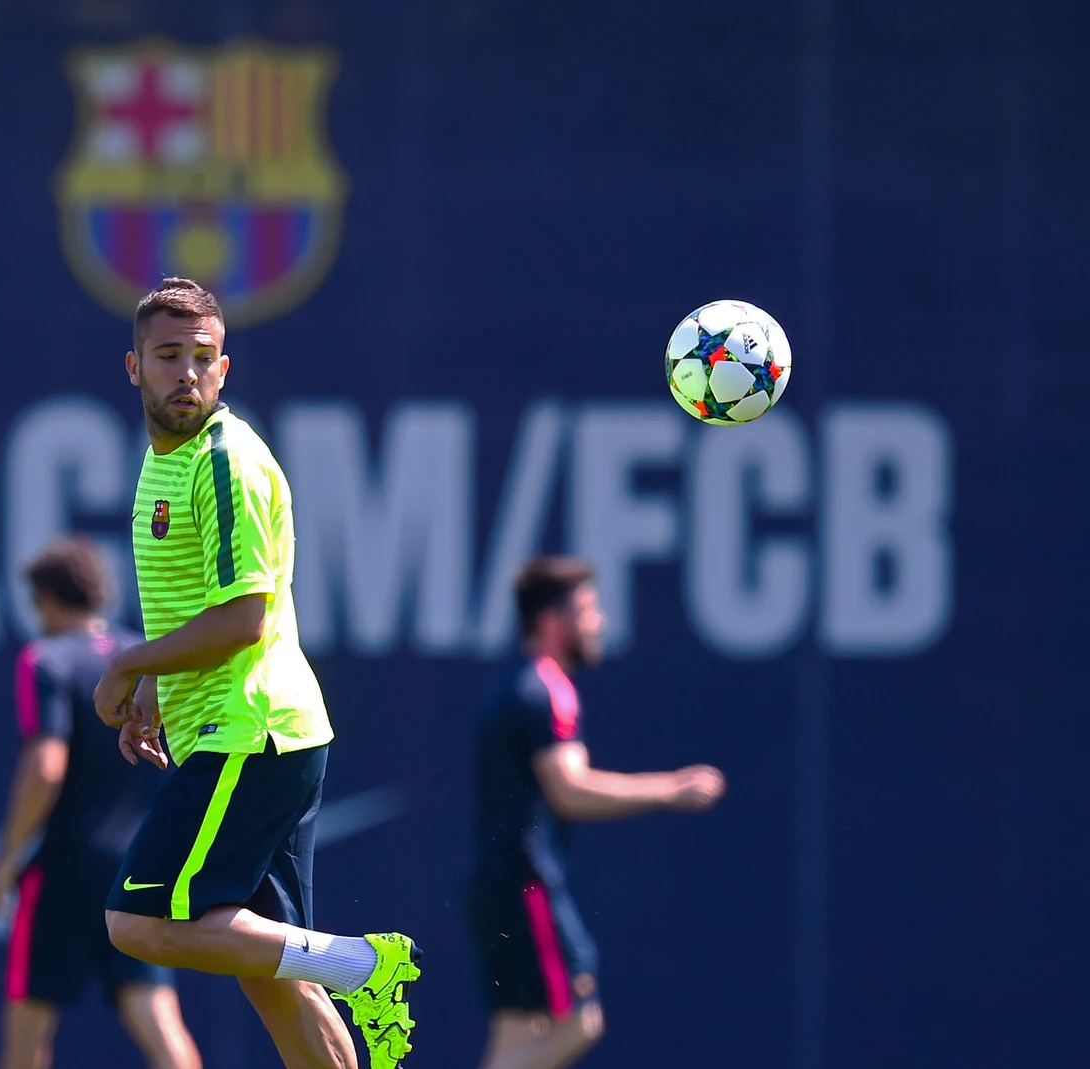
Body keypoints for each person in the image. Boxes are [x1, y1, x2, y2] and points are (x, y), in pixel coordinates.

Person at [91, 278, 421, 1069]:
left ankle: (363, 963)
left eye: (202, 358)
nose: (186, 373)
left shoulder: (224, 461)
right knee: (273, 973)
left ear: (225, 367)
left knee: (136, 922)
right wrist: (154, 686)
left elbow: (245, 617)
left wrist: (131, 660)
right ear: (132, 367)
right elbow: (196, 612)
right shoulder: (164, 461)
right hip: (261, 729)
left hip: (252, 729)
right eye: (168, 356)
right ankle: (345, 967)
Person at [466, 556, 727, 1069]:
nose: (599, 622)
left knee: (519, 1033)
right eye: (587, 610)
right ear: (551, 622)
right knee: (580, 1020)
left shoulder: (515, 686)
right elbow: (571, 789)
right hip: (525, 884)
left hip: (496, 885)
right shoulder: (548, 690)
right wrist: (670, 790)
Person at [0, 537, 202, 1069]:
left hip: (62, 871)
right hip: (137, 866)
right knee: (155, 1012)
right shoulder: (141, 659)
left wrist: (8, 858)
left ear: (46, 600)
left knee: (27, 1027)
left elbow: (46, 765)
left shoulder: (45, 659)